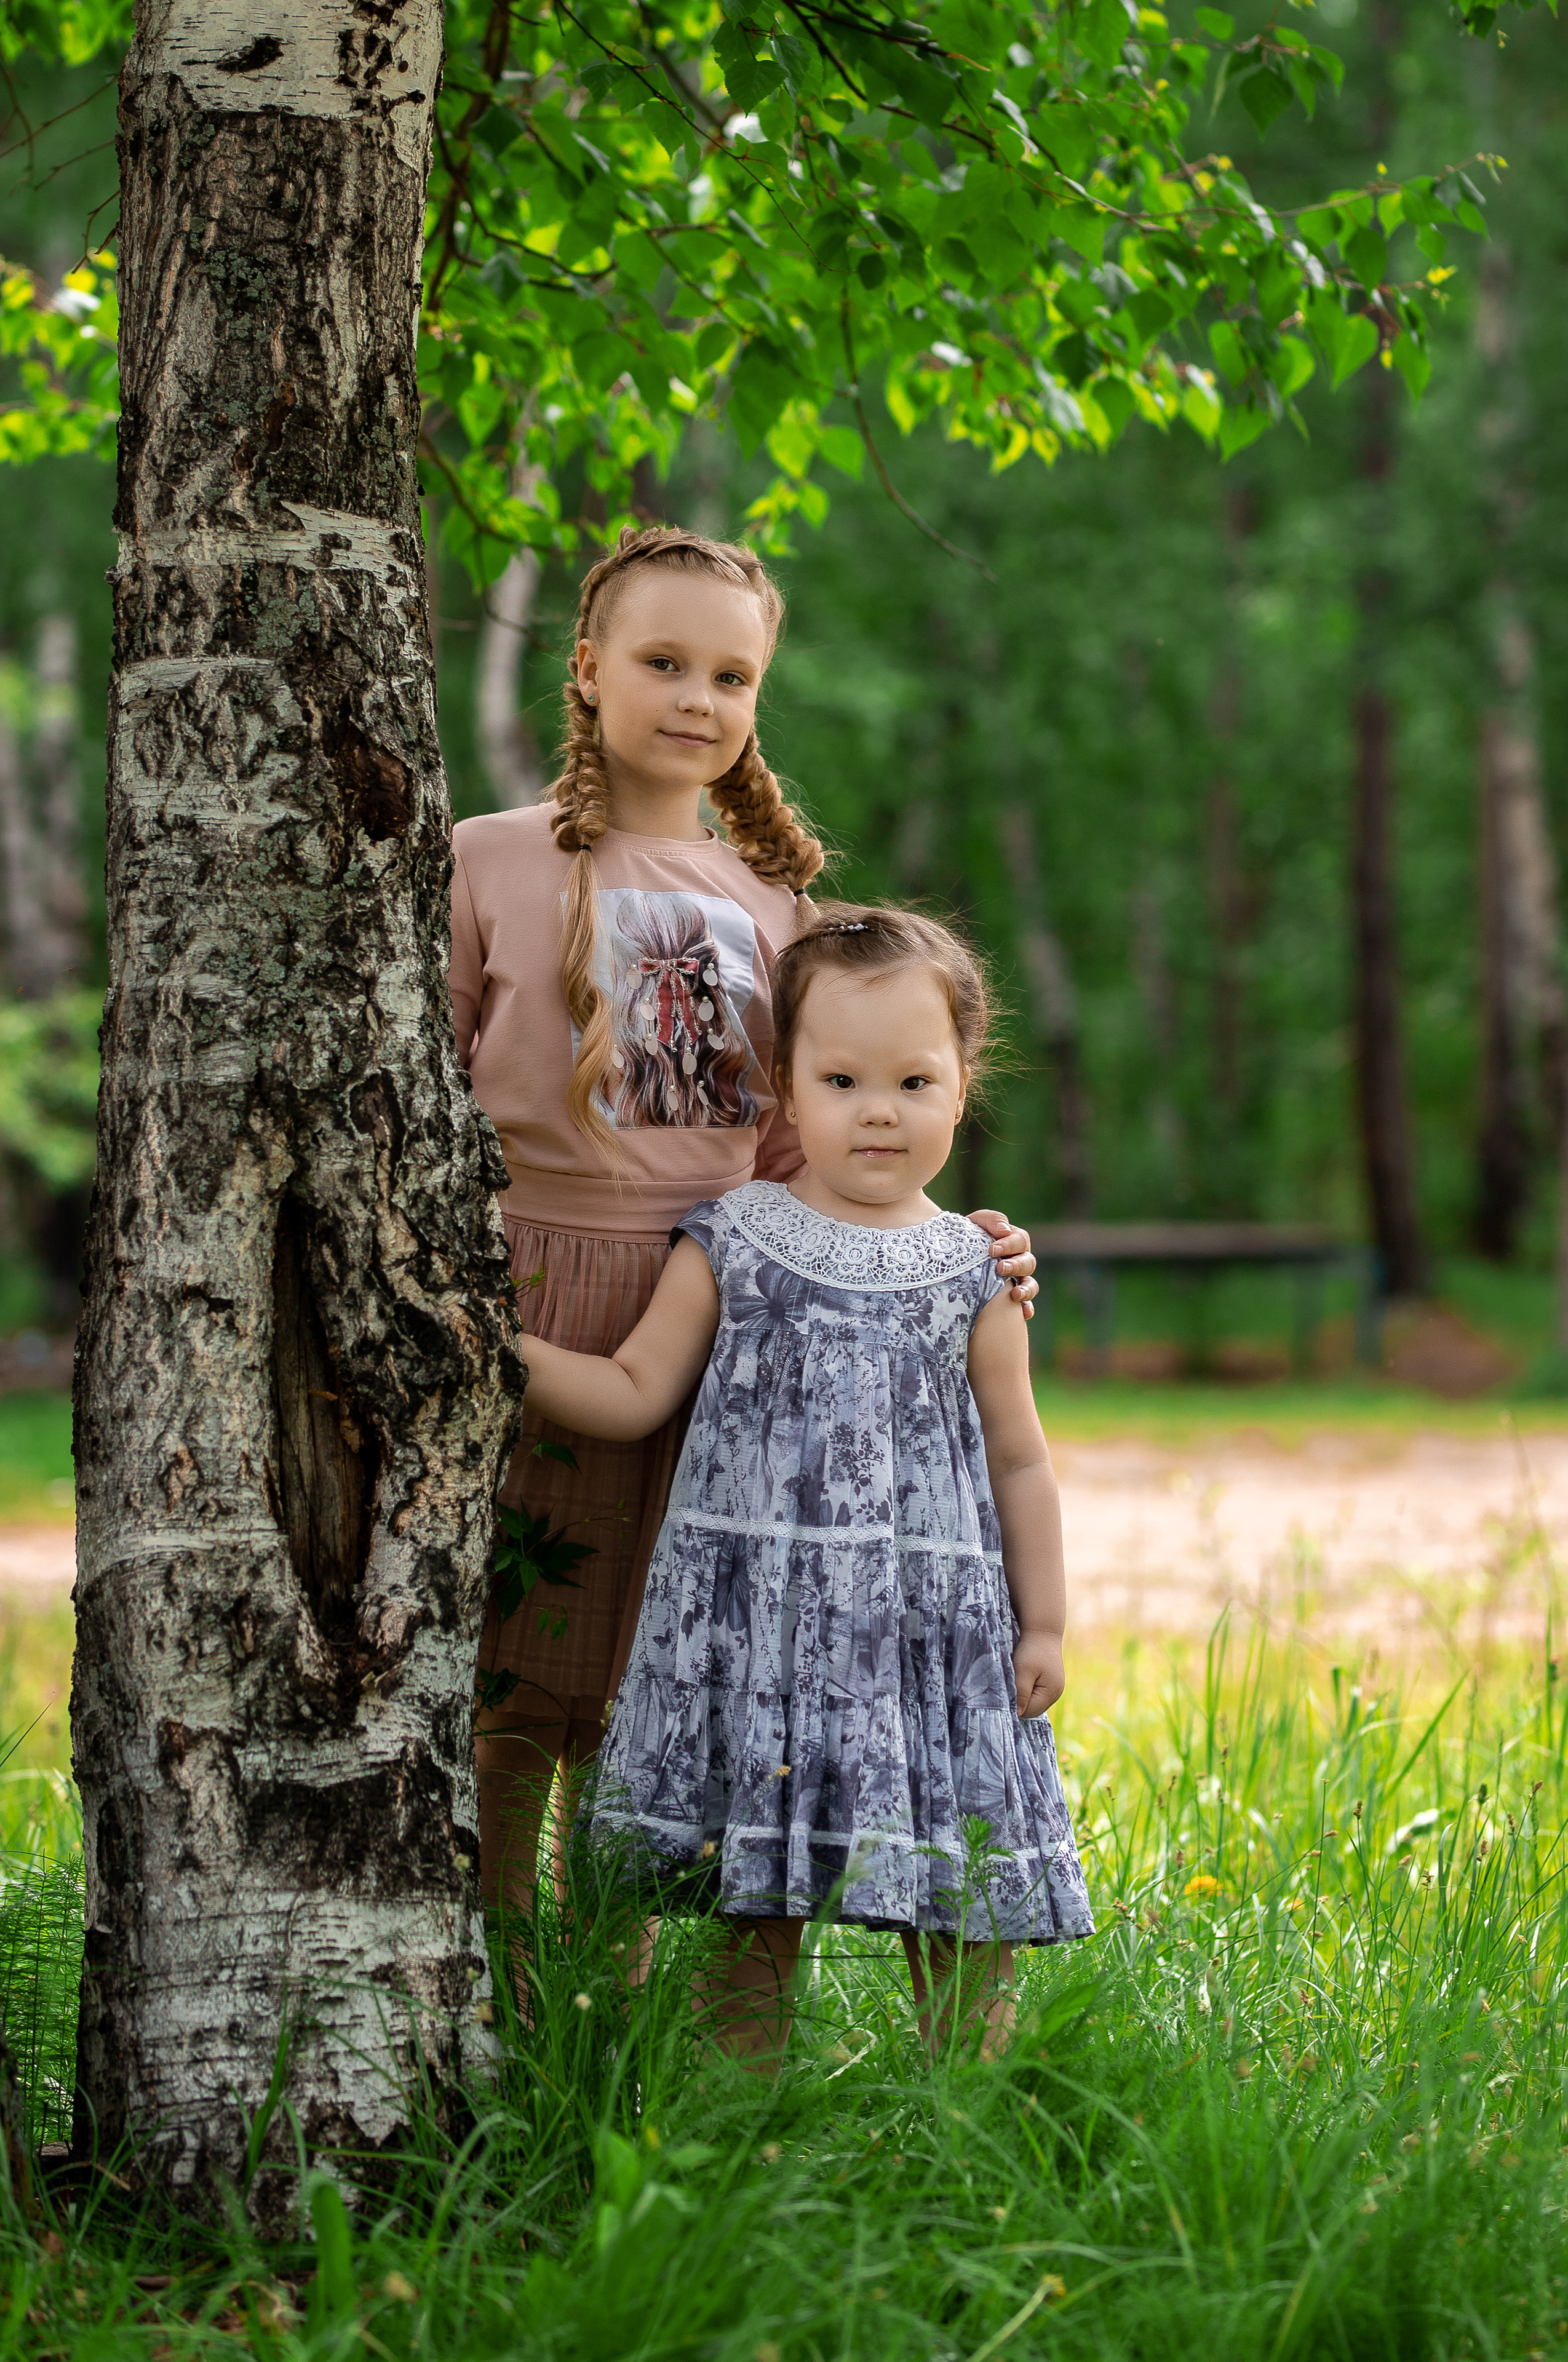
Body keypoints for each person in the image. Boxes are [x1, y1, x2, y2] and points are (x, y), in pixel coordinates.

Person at [450, 526, 1040, 1910]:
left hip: (716, 1318)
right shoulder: (484, 860)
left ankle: (618, 1989)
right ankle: (498, 1971)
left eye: (733, 675)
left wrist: (954, 1245)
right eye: (663, 663)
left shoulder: (778, 910)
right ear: (587, 672)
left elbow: (809, 1144)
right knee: (510, 1670)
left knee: (653, 1663)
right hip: (514, 1287)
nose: (698, 699)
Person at [519, 904, 1093, 2056]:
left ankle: (967, 2107)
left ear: (962, 1086)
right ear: (782, 1088)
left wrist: (1047, 1623)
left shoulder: (973, 1270)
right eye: (840, 1080)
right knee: (757, 1895)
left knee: (960, 1891)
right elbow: (636, 1390)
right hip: (763, 1630)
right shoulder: (731, 1237)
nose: (878, 1110)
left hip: (930, 1633)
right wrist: (496, 1350)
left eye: (914, 1082)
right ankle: (743, 2121)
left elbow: (1020, 1454)